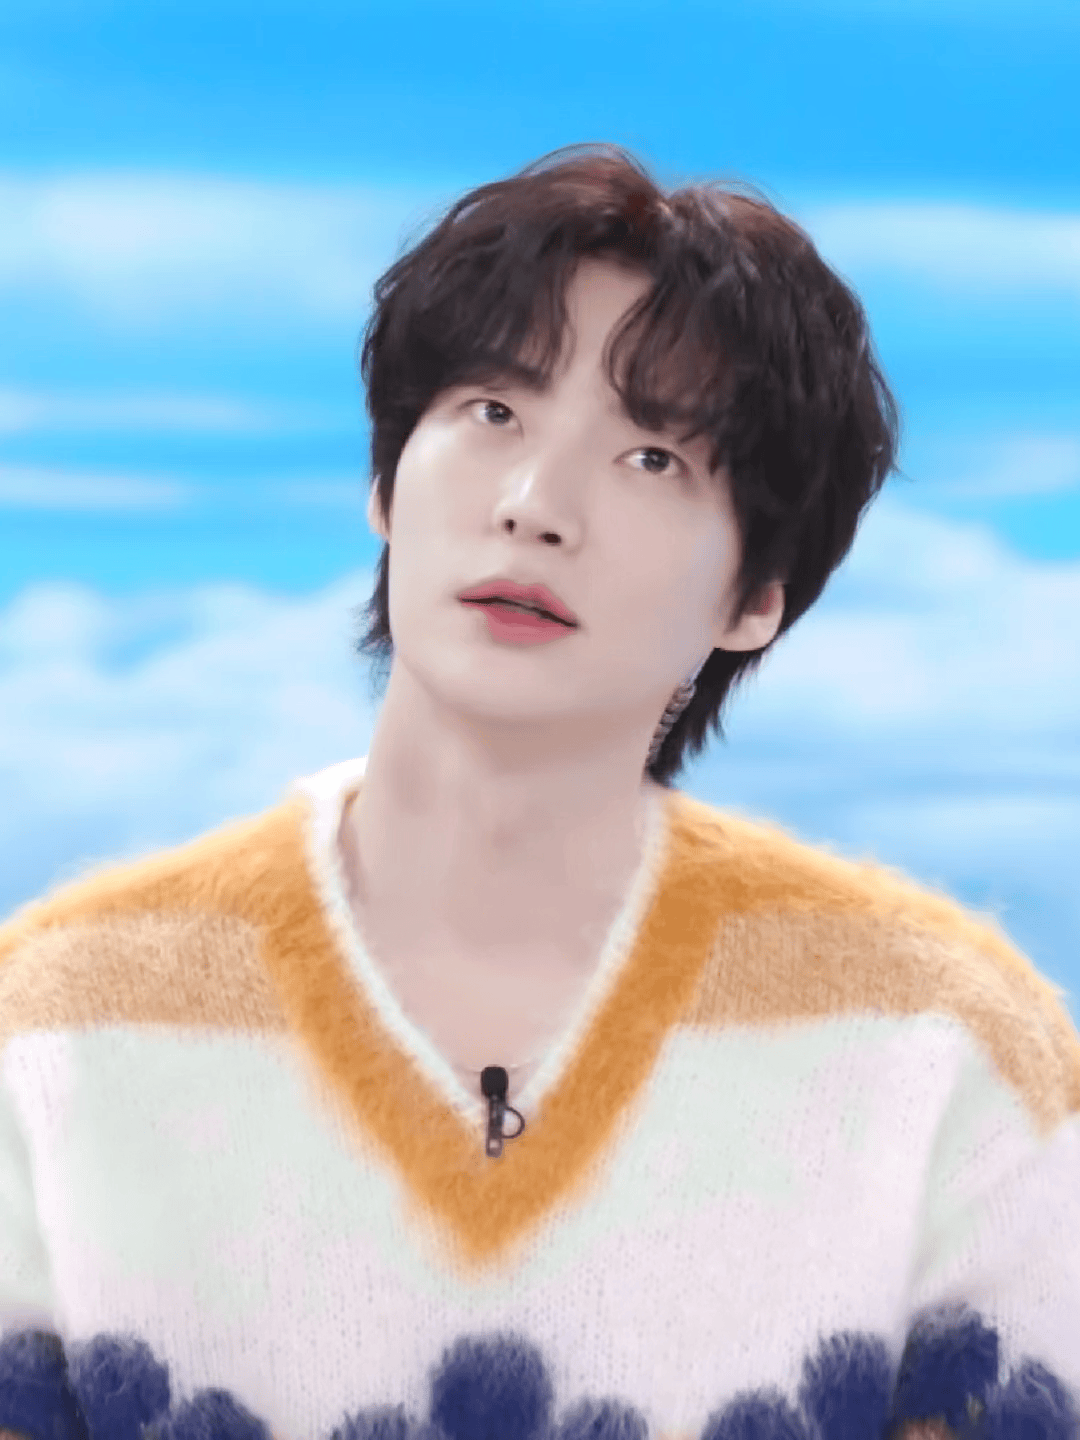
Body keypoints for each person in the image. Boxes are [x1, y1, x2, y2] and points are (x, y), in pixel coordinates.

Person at [1, 143, 1078, 1440]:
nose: (534, 506)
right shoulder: (55, 1032)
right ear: (385, 484)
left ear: (755, 598)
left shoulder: (943, 1051)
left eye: (653, 459)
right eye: (492, 413)